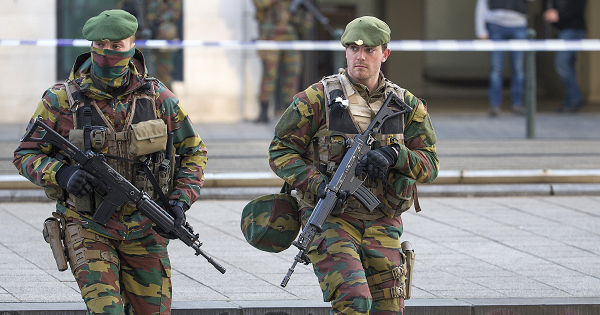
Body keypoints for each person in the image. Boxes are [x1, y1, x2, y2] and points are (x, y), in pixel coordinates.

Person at [13, 9, 207, 314]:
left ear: (132, 47)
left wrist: (180, 202)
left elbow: (194, 152)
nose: (108, 53)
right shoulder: (61, 100)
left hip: (146, 229)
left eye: (116, 46)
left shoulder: (158, 98)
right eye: (101, 45)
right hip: (88, 226)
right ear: (91, 47)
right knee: (108, 311)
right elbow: (25, 154)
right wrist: (61, 173)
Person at [268, 16, 439, 315]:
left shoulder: (406, 105)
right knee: (354, 301)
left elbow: (431, 165)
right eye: (353, 49)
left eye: (369, 50)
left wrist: (395, 156)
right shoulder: (317, 98)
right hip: (330, 219)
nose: (360, 57)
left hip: (383, 219)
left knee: (388, 308)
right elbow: (280, 150)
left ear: (385, 54)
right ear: (345, 51)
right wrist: (317, 184)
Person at [253, 0, 313, 123]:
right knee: (269, 73)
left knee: (293, 72)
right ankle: (264, 111)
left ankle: (290, 112)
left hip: (290, 33)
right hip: (270, 33)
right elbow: (260, 4)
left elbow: (305, 23)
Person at [475, 0, 532, 117]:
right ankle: (495, 105)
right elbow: (482, 4)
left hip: (519, 26)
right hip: (496, 25)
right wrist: (481, 30)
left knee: (518, 68)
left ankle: (518, 104)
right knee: (496, 68)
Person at [543, 0, 587, 113]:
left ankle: (575, 98)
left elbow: (575, 10)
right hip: (562, 30)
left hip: (573, 30)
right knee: (569, 66)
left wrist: (558, 16)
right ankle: (570, 101)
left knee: (562, 64)